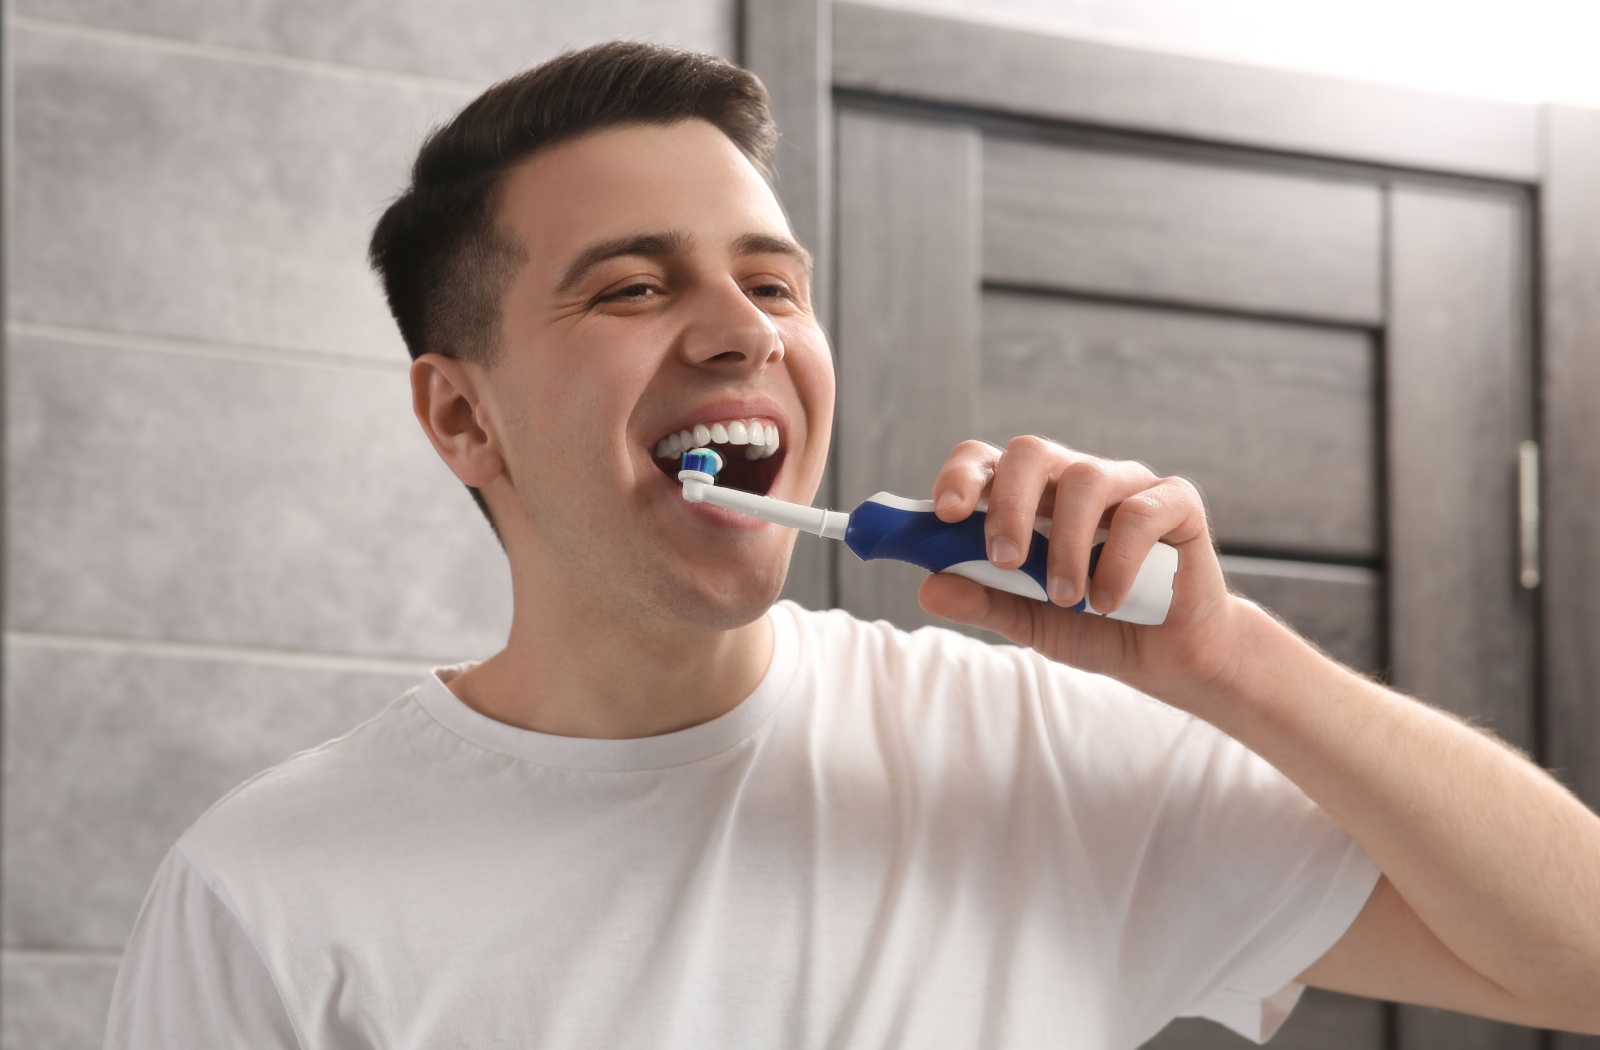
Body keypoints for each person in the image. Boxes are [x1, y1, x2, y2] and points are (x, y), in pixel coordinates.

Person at [104, 42, 1600, 1049]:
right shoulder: (270, 893)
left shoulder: (1039, 754)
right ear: (461, 416)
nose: (745, 328)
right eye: (630, 288)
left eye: (775, 283)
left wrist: (1232, 662)